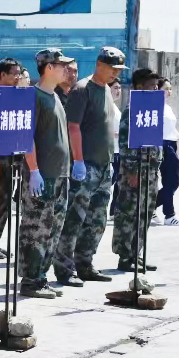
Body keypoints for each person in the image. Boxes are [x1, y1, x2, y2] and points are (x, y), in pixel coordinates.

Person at [53, 46, 125, 285]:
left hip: (104, 166)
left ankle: (85, 263)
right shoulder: (83, 89)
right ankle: (65, 268)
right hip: (86, 165)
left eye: (118, 69)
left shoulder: (105, 89)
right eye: (112, 68)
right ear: (100, 65)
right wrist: (78, 161)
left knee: (97, 219)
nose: (116, 73)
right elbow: (73, 127)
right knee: (74, 218)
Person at [19, 48, 74, 298]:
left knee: (53, 230)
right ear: (49, 68)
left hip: (59, 176)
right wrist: (34, 170)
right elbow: (27, 137)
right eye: (61, 65)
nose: (66, 70)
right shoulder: (34, 96)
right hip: (42, 176)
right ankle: (31, 280)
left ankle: (41, 276)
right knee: (37, 229)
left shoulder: (55, 97)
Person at [113, 68, 163, 273]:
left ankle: (137, 253)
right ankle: (125, 256)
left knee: (145, 214)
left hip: (150, 171)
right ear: (140, 86)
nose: (156, 89)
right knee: (129, 213)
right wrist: (132, 171)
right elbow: (125, 144)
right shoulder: (132, 110)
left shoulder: (152, 109)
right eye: (152, 85)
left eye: (157, 86)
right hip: (134, 172)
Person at [0, 57, 24, 258]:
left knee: (6, 200)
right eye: (14, 74)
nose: (18, 77)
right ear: (2, 75)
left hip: (13, 157)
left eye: (19, 73)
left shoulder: (18, 97)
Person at [157, 77, 179, 226]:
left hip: (172, 143)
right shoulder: (155, 107)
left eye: (170, 89)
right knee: (171, 182)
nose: (169, 92)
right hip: (163, 145)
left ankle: (148, 208)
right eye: (166, 89)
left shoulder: (167, 107)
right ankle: (169, 214)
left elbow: (170, 127)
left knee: (171, 182)